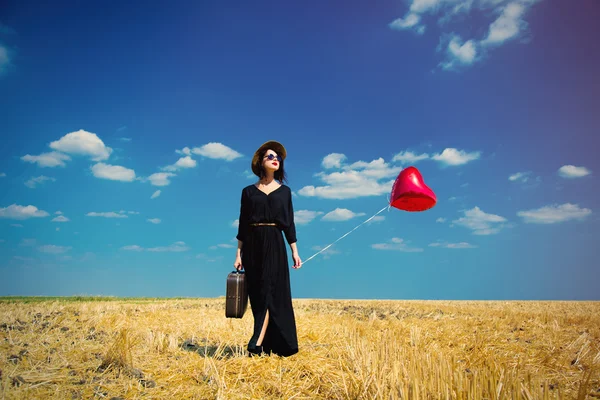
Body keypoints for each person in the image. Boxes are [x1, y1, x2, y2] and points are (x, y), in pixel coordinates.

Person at [234, 140, 302, 357]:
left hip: (274, 241)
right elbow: (243, 223)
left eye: (278, 157)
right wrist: (238, 253)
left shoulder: (285, 192)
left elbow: (289, 223)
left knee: (271, 291)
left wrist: (294, 250)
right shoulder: (248, 192)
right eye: (270, 156)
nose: (275, 159)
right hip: (252, 245)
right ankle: (265, 345)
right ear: (260, 162)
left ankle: (256, 341)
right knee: (258, 293)